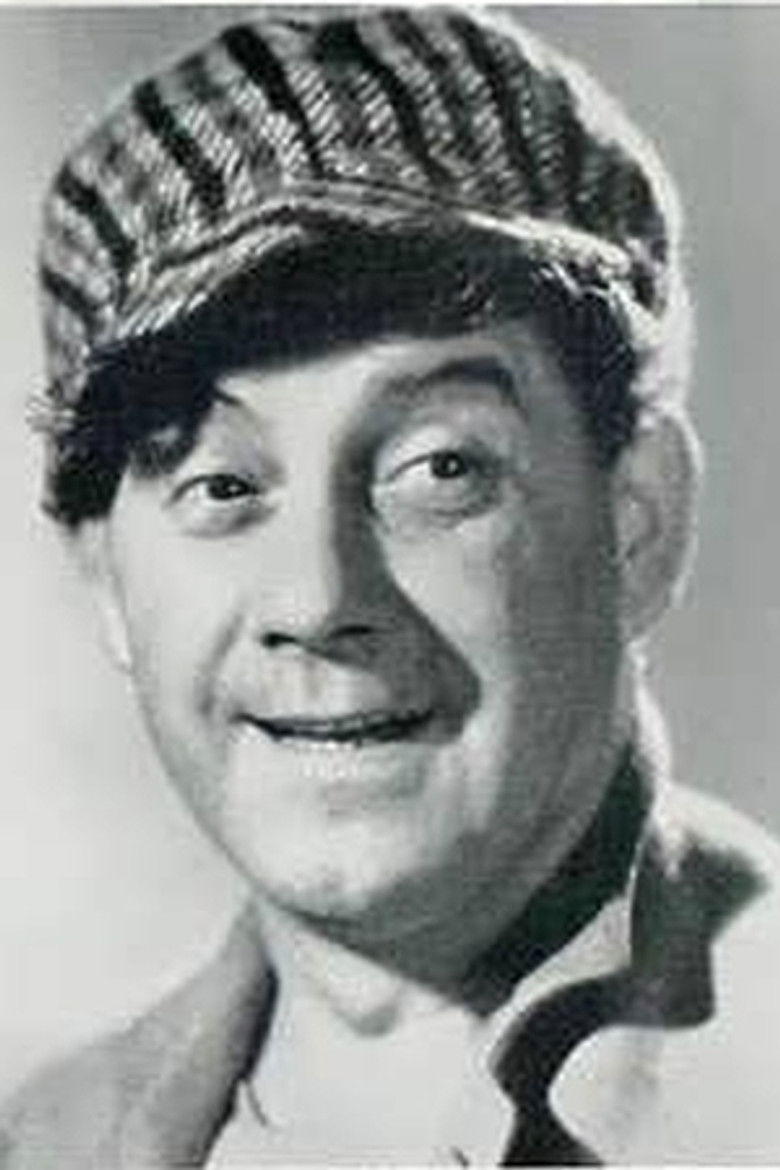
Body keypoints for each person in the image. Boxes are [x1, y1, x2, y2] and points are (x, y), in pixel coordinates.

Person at [2, 7, 780, 1166]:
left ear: (639, 517)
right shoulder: (47, 1139)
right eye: (222, 485)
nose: (319, 600)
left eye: (440, 468)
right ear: (108, 581)